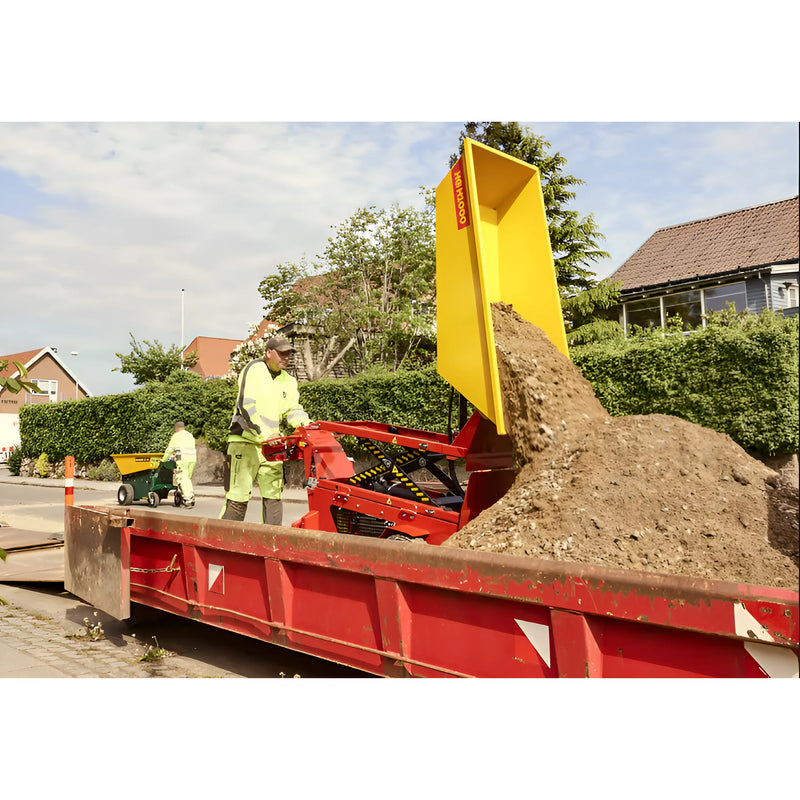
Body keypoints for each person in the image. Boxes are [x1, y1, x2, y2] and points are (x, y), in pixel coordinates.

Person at [220, 336, 310, 524]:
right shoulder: (253, 369)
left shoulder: (289, 381)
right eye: (282, 353)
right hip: (245, 443)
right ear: (269, 353)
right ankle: (220, 547)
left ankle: (272, 547)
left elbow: (293, 410)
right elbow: (247, 407)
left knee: (273, 497)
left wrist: (307, 427)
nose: (286, 357)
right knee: (237, 499)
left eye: (289, 353)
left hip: (272, 447)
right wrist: (265, 435)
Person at [163, 421, 197, 508]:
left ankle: (188, 499)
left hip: (183, 460)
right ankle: (191, 495)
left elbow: (170, 449)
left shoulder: (176, 436)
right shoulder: (189, 435)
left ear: (176, 428)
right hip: (192, 459)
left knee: (182, 479)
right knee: (187, 478)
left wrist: (163, 460)